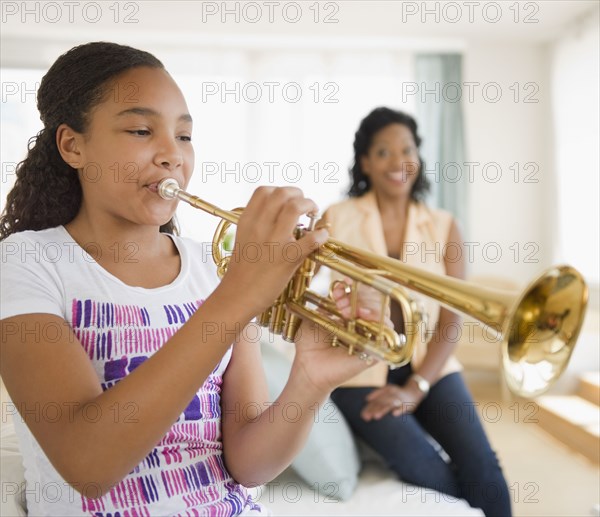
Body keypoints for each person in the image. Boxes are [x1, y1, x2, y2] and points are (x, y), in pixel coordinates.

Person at [0, 42, 377, 516]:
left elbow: (250, 465)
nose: (171, 156)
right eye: (141, 130)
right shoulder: (27, 262)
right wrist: (238, 295)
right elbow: (88, 463)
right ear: (73, 146)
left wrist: (309, 381)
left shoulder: (213, 268)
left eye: (184, 137)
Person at [322, 107, 512, 517]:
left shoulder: (446, 226)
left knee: (483, 466)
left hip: (432, 364)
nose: (398, 161)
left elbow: (451, 320)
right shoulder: (336, 217)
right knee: (424, 468)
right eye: (384, 151)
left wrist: (416, 389)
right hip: (360, 369)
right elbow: (298, 282)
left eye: (407, 149)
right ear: (366, 162)